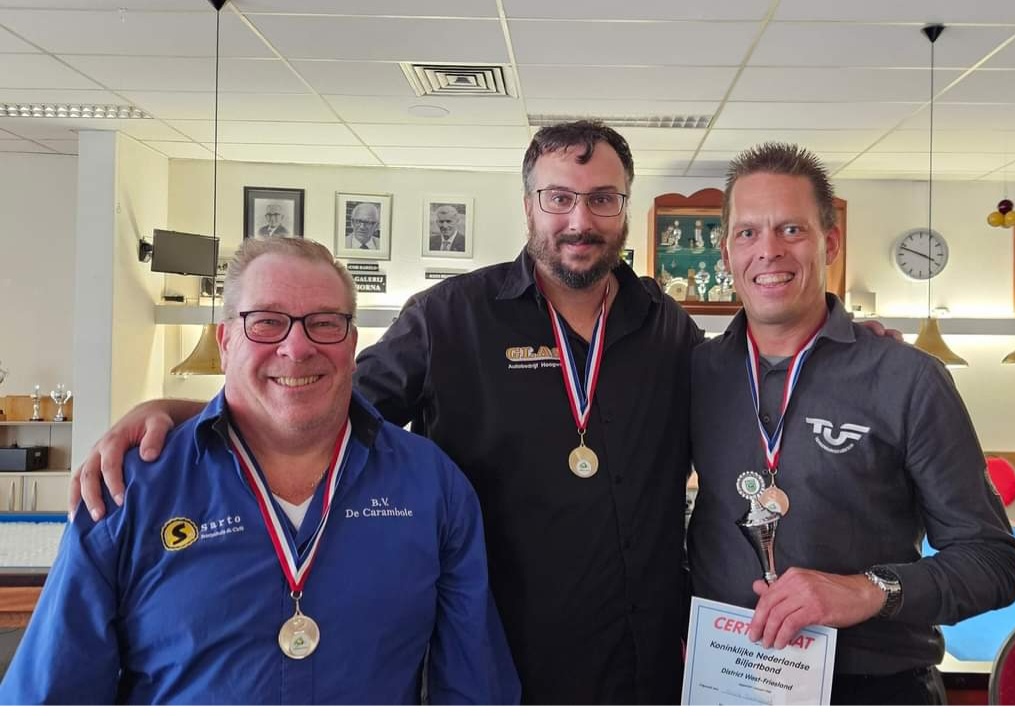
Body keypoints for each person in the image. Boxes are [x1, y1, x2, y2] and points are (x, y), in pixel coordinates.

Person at [72, 121, 702, 704]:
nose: (580, 220)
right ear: (529, 206)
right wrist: (182, 412)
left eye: (602, 199)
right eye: (558, 198)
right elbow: (316, 405)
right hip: (500, 663)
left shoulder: (668, 328)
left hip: (647, 671)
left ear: (625, 207)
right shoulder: (449, 318)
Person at [1, 237, 518, 705]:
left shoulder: (432, 485)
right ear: (226, 341)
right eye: (267, 321)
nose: (298, 347)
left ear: (352, 342)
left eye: (324, 322)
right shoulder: (129, 485)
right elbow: (51, 696)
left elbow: (473, 689)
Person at [686, 143, 1015, 705]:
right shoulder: (694, 372)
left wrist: (868, 590)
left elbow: (994, 562)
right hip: (723, 680)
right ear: (726, 252)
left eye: (791, 229)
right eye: (747, 232)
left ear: (831, 243)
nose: (768, 250)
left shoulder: (908, 378)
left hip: (874, 689)